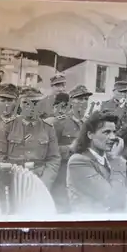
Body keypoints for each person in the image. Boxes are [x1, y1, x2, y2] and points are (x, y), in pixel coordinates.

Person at [0, 87, 61, 190]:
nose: (31, 107)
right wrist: (11, 180)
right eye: (26, 103)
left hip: (39, 180)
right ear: (20, 104)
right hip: (13, 180)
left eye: (35, 103)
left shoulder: (48, 128)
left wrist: (44, 183)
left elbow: (54, 159)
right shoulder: (7, 126)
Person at [66, 111, 127, 213]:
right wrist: (116, 159)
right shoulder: (78, 162)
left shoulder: (107, 159)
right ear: (90, 135)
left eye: (114, 132)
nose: (113, 137)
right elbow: (114, 199)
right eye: (106, 132)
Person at [47, 85, 93, 213]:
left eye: (86, 99)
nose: (83, 102)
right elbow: (47, 151)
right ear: (71, 101)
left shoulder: (88, 124)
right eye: (79, 99)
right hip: (63, 175)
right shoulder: (58, 123)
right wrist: (69, 148)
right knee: (63, 209)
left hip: (83, 175)